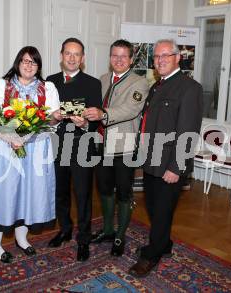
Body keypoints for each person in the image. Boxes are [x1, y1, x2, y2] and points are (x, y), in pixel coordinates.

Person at [128, 39, 203, 277]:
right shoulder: (157, 86)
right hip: (152, 160)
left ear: (177, 57)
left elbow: (188, 132)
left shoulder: (189, 88)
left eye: (165, 56)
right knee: (155, 208)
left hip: (170, 164)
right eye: (157, 57)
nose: (160, 60)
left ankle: (151, 255)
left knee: (160, 211)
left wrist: (176, 167)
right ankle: (164, 244)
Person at [0, 46, 60, 263]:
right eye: (25, 61)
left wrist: (56, 117)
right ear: (18, 63)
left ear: (39, 66)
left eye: (33, 62)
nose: (28, 65)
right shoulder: (2, 85)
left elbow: (52, 121)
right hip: (6, 147)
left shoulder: (48, 88)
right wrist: (14, 138)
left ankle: (22, 238)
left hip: (37, 148)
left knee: (29, 194)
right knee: (3, 194)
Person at [83, 39, 148, 257]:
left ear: (131, 59)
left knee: (123, 192)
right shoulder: (101, 80)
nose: (118, 60)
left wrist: (104, 114)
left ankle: (120, 233)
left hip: (124, 147)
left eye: (123, 56)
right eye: (114, 55)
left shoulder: (140, 82)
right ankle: (108, 229)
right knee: (103, 189)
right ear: (110, 58)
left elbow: (130, 109)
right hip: (101, 145)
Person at [46, 38, 102, 261]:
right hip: (57, 145)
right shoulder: (49, 82)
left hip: (82, 146)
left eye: (76, 54)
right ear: (61, 56)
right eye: (68, 53)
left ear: (83, 58)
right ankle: (65, 229)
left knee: (83, 195)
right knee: (60, 192)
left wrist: (85, 123)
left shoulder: (93, 83)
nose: (71, 58)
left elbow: (97, 119)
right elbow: (43, 115)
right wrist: (53, 118)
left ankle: (84, 239)